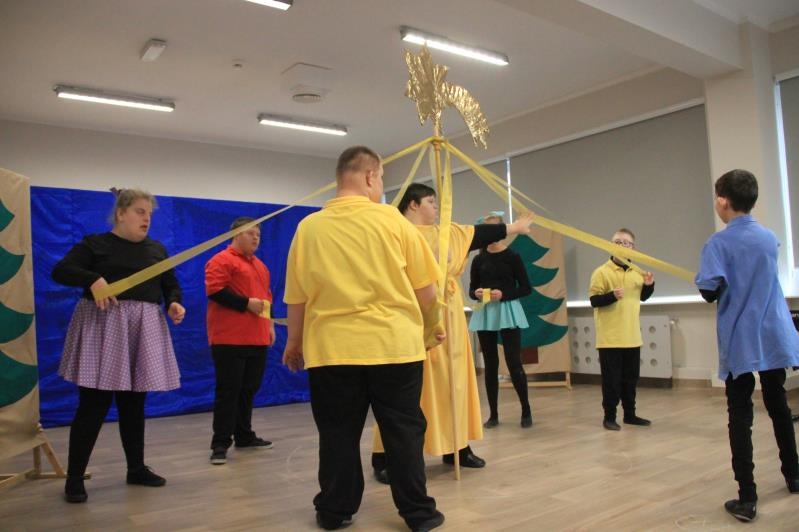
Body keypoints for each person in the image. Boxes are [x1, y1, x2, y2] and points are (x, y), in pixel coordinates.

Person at [282, 147, 446, 532]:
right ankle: (419, 514)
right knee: (403, 433)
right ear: (371, 176)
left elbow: (297, 297)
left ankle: (334, 511)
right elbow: (426, 291)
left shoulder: (309, 228)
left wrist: (294, 342)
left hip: (332, 350)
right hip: (394, 346)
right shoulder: (394, 222)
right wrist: (432, 327)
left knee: (337, 433)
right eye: (382, 178)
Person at [371, 184, 535, 482]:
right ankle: (386, 456)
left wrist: (514, 227)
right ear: (413, 204)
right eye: (430, 202)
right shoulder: (393, 232)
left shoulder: (447, 233)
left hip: (449, 316)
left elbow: (478, 234)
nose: (436, 207)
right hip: (410, 315)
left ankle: (457, 447)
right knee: (403, 387)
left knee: (453, 380)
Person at [52, 188, 186, 504]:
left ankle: (136, 469)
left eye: (149, 213)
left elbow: (170, 285)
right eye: (140, 211)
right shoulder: (95, 245)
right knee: (93, 405)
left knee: (134, 404)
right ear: (121, 213)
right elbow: (61, 271)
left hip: (142, 330)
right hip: (104, 330)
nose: (146, 218)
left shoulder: (157, 250)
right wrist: (92, 279)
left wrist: (174, 302)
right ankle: (74, 478)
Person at [695, 169, 799, 522]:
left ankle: (748, 497)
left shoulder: (718, 243)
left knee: (740, 415)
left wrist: (706, 278)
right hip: (773, 334)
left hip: (742, 337)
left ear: (723, 201)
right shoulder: (769, 238)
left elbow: (708, 291)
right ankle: (794, 475)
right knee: (778, 405)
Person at [205, 217, 276, 465]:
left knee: (248, 390)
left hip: (256, 337)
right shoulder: (220, 260)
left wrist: (270, 325)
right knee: (228, 391)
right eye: (250, 233)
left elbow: (266, 298)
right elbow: (215, 290)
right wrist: (246, 304)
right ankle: (220, 443)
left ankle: (244, 435)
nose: (256, 237)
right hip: (229, 338)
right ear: (235, 234)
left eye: (258, 234)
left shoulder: (261, 267)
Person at [468, 212, 533, 429]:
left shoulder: (512, 256)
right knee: (490, 364)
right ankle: (493, 414)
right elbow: (471, 290)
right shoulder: (478, 259)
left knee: (514, 362)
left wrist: (504, 294)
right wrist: (476, 293)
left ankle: (526, 409)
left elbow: (526, 288)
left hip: (508, 311)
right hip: (486, 312)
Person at [588, 228, 654, 431]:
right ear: (611, 246)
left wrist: (649, 285)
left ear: (633, 248)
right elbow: (594, 300)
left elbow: (642, 297)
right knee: (611, 381)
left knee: (630, 380)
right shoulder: (601, 272)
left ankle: (630, 415)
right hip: (610, 338)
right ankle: (609, 417)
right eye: (618, 242)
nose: (622, 245)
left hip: (632, 336)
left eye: (627, 243)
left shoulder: (638, 273)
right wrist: (611, 296)